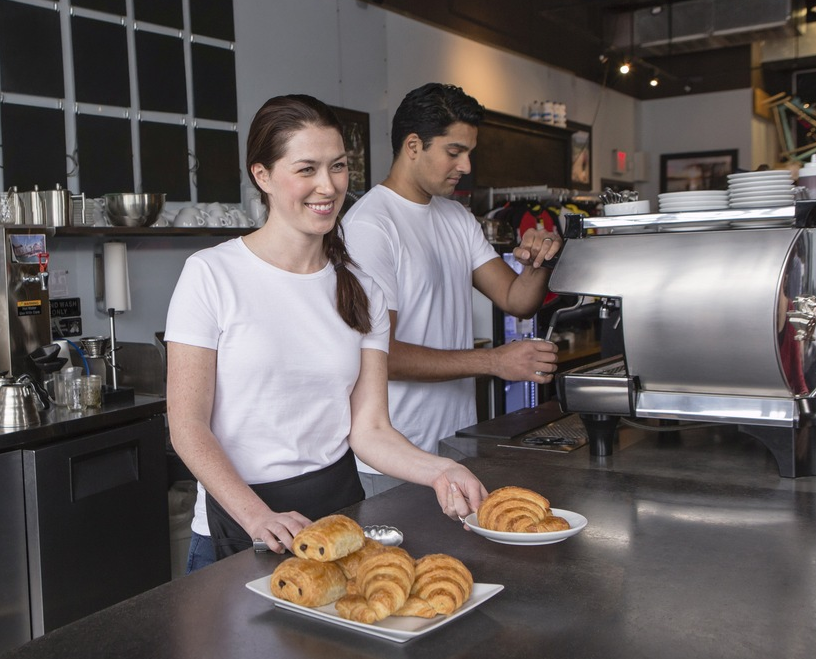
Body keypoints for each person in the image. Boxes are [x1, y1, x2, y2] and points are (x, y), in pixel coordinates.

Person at [165, 94, 488, 573]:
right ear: (263, 176)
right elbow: (188, 426)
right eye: (306, 169)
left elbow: (370, 429)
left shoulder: (362, 290)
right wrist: (258, 516)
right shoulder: (210, 274)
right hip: (238, 523)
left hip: (340, 520)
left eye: (337, 166)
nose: (327, 185)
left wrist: (442, 470)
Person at [341, 83, 561, 496]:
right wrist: (494, 361)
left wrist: (539, 262)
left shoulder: (456, 217)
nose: (466, 166)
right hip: (396, 454)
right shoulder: (371, 226)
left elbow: (517, 300)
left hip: (456, 444)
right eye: (454, 151)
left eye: (469, 153)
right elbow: (380, 354)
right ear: (412, 145)